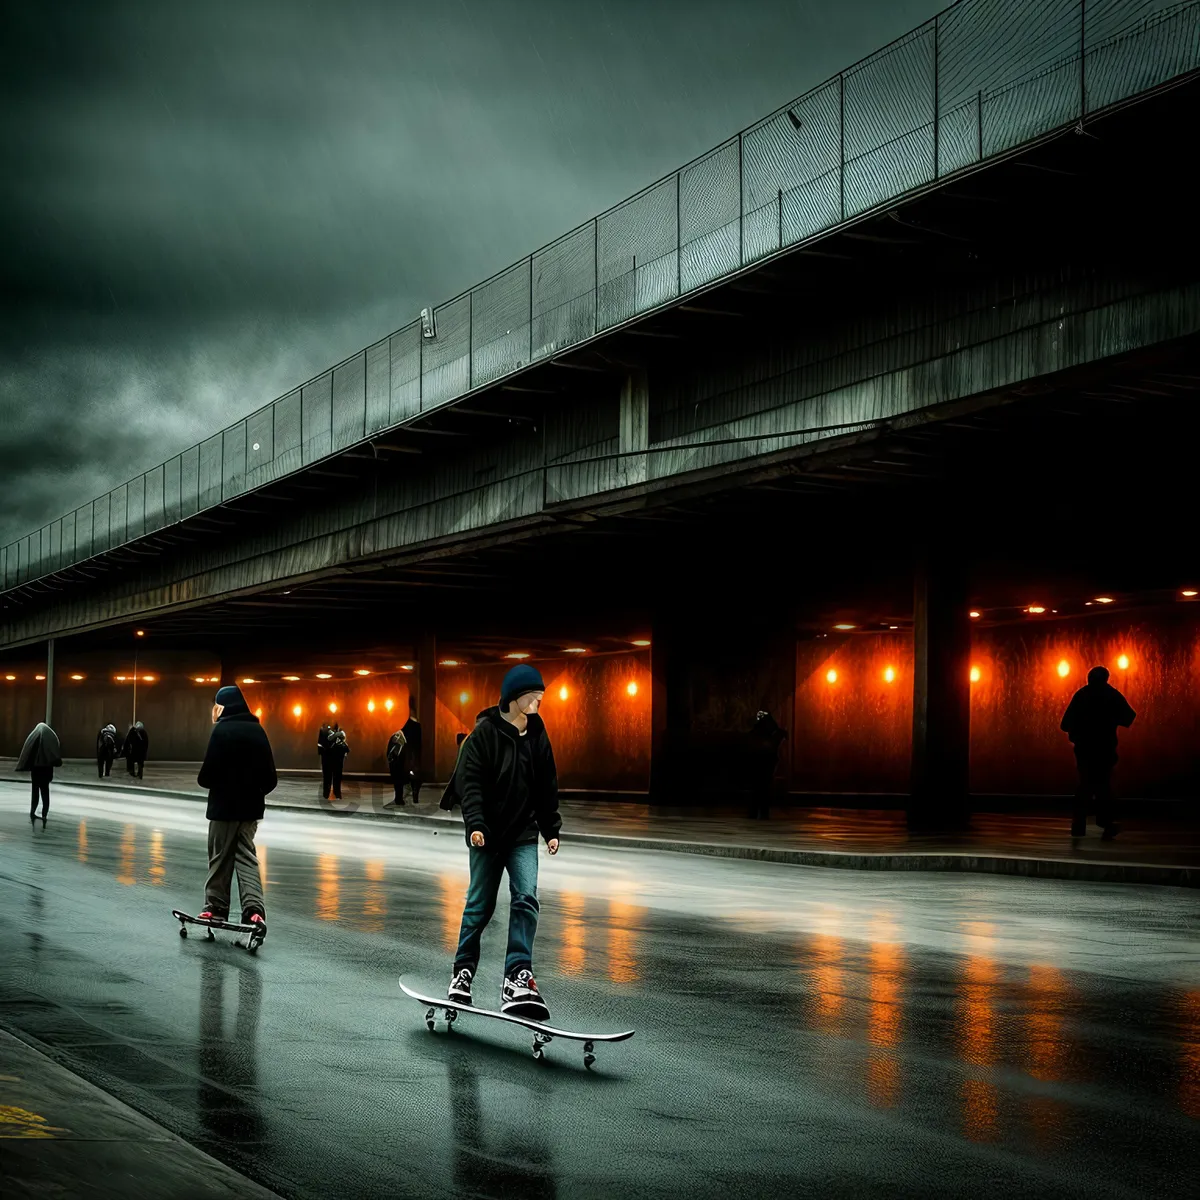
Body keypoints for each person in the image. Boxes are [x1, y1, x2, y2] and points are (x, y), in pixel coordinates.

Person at [447, 664, 561, 1019]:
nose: (539, 700)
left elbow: (546, 785)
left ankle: (517, 976)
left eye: (541, 694)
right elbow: (471, 785)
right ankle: (462, 974)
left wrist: (551, 828)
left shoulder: (539, 735)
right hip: (488, 835)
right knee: (480, 905)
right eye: (533, 695)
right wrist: (476, 825)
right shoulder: (484, 736)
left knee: (527, 898)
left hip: (523, 834)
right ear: (514, 697)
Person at [196, 685, 277, 934]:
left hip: (223, 809)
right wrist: (253, 792)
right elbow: (271, 779)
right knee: (246, 857)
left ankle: (215, 908)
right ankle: (254, 911)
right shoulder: (258, 730)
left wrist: (224, 785)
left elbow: (205, 777)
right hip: (250, 810)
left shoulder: (221, 731)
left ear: (224, 706)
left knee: (220, 857)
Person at [1060, 665, 1136, 840]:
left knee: (1085, 783)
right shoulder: (1111, 695)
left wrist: (1080, 731)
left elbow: (1064, 724)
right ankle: (1106, 823)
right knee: (1103, 784)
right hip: (1104, 748)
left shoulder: (1081, 695)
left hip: (1084, 749)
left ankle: (1079, 824)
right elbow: (1129, 717)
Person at [17, 722, 62, 825]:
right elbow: (54, 755)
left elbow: (28, 751)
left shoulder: (34, 738)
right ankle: (44, 814)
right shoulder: (50, 739)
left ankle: (32, 812)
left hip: (36, 770)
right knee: (45, 792)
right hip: (45, 770)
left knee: (35, 791)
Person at [747, 710, 787, 820]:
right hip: (764, 763)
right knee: (762, 789)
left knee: (759, 789)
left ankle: (757, 813)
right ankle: (760, 813)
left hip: (762, 762)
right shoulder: (770, 731)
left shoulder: (760, 731)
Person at [401, 702, 424, 805]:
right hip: (413, 757)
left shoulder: (410, 726)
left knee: (413, 776)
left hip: (411, 757)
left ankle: (413, 794)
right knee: (415, 777)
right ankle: (414, 794)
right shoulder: (415, 726)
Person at [384, 727, 409, 806]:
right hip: (399, 765)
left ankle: (398, 798)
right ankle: (399, 799)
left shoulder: (395, 737)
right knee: (399, 783)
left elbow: (389, 753)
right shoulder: (401, 739)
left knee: (397, 783)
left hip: (394, 765)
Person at [326, 727, 349, 800]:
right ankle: (336, 793)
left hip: (336, 763)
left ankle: (336, 793)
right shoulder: (341, 745)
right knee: (336, 778)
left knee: (336, 778)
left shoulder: (339, 745)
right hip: (337, 763)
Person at [316, 722, 334, 799]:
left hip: (325, 755)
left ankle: (325, 792)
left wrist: (321, 752)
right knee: (329, 774)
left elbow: (319, 743)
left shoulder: (322, 730)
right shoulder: (334, 731)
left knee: (326, 774)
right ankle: (328, 791)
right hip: (331, 755)